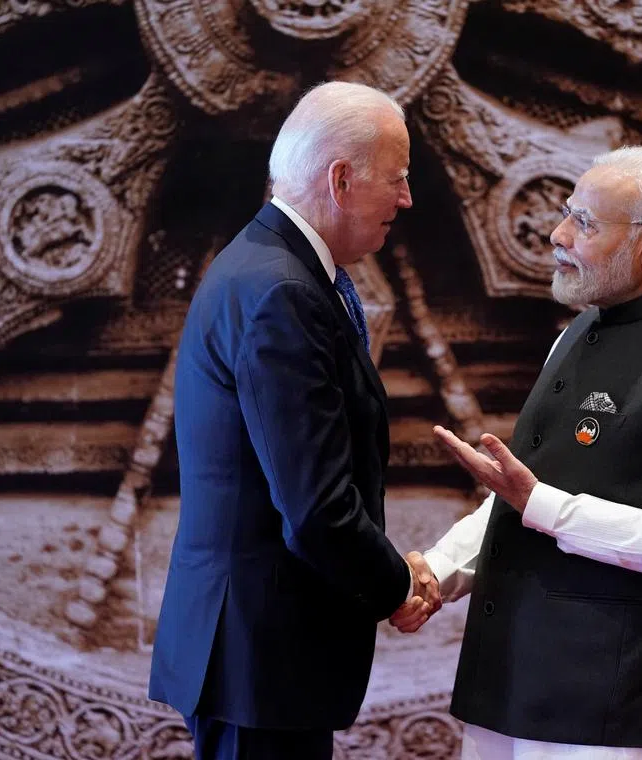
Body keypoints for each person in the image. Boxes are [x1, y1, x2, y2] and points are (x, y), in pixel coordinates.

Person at [402, 146, 642, 760]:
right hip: (515, 683)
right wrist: (441, 570)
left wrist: (543, 504)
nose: (558, 235)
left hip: (625, 708)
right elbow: (523, 496)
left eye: (586, 223)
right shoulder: (575, 335)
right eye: (567, 214)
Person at [149, 81, 439, 760]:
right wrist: (397, 584)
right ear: (341, 179)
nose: (406, 199)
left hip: (259, 656)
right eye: (396, 179)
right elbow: (314, 508)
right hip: (260, 658)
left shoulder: (268, 267)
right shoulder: (282, 291)